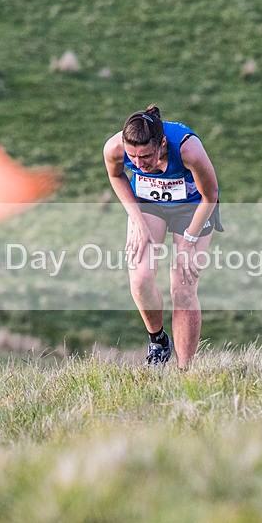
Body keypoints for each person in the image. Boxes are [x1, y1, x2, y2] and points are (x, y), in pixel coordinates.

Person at [103, 105, 223, 369]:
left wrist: (190, 241)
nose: (138, 164)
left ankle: (184, 370)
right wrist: (138, 221)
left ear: (162, 144)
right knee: (140, 279)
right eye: (132, 156)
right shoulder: (115, 148)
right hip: (149, 202)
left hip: (193, 206)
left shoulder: (188, 150)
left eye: (146, 156)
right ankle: (158, 341)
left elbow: (210, 196)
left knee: (183, 285)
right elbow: (116, 175)